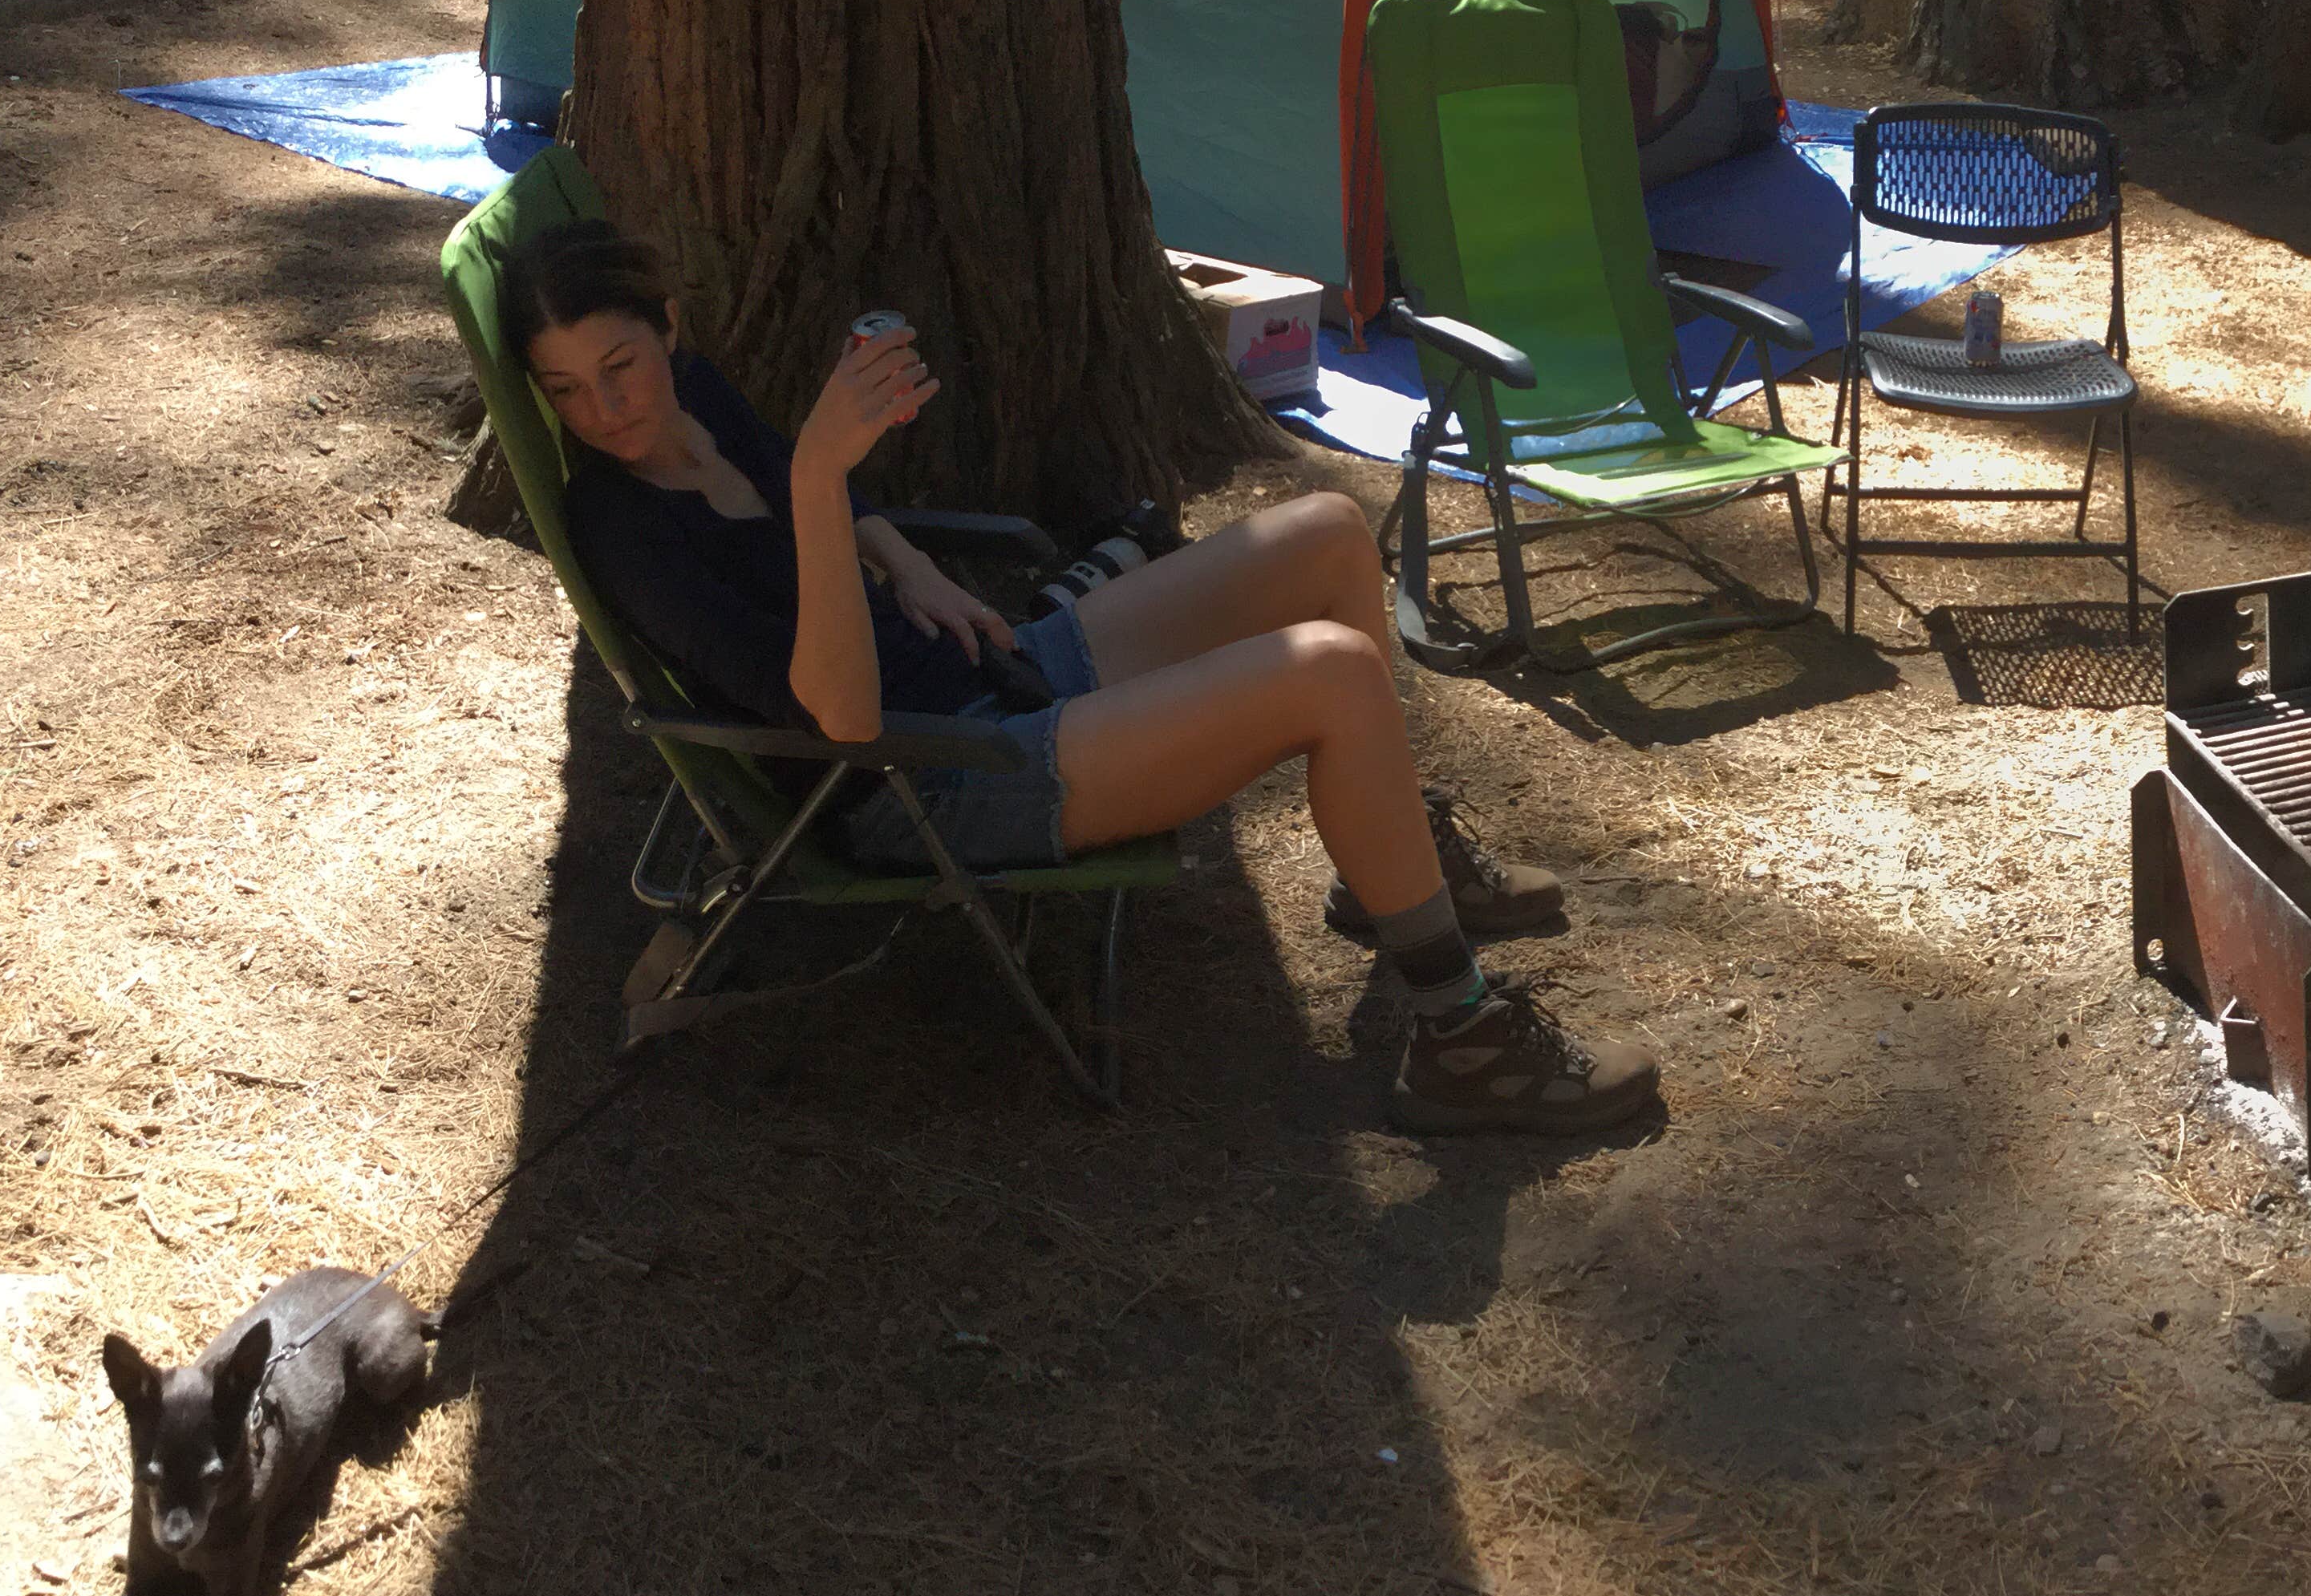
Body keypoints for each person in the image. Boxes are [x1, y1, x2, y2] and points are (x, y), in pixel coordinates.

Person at [498, 219, 1657, 1136]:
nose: (609, 408)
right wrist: (813, 475)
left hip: (983, 668)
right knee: (1334, 675)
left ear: (668, 327)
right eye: (564, 390)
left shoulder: (694, 392)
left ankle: (1395, 858)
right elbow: (840, 721)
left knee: (1325, 531)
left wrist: (903, 562)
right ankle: (1460, 1038)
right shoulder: (625, 530)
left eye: (621, 363)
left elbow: (844, 521)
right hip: (928, 777)